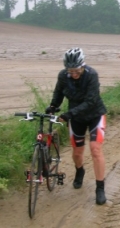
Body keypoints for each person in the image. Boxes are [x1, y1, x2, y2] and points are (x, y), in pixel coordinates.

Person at [45, 48, 107, 205]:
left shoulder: (91, 75)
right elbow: (58, 93)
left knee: (95, 149)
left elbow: (91, 101)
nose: (74, 74)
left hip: (95, 115)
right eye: (70, 71)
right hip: (76, 117)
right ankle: (80, 171)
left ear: (83, 66)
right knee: (77, 153)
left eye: (77, 70)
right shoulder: (63, 76)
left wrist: (69, 114)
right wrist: (53, 106)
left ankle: (100, 188)